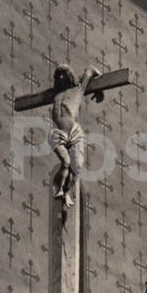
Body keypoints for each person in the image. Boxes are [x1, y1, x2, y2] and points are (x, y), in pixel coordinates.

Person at [49, 64, 104, 208]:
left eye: (63, 74)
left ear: (69, 76)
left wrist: (99, 88)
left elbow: (90, 69)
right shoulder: (53, 94)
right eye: (58, 75)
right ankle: (61, 189)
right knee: (65, 162)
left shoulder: (77, 89)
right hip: (58, 133)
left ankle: (67, 191)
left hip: (73, 131)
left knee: (77, 166)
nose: (60, 77)